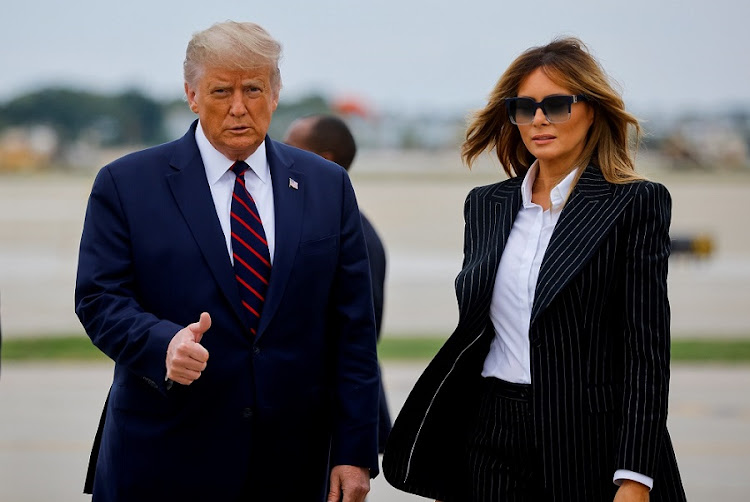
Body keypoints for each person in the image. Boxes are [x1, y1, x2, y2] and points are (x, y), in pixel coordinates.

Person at [75, 21, 379, 502]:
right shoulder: (126, 184)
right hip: (163, 459)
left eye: (253, 88)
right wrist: (163, 345)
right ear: (191, 95)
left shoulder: (328, 186)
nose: (239, 107)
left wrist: (354, 449)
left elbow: (354, 329)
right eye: (221, 91)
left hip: (292, 465)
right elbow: (98, 298)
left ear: (275, 93)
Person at [383, 38, 686, 501]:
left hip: (590, 442)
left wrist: (634, 475)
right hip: (493, 433)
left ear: (592, 110)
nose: (539, 119)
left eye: (557, 104)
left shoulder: (635, 203)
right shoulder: (486, 205)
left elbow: (646, 354)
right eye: (524, 107)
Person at [283, 114, 393, 453]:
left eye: (290, 148)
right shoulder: (296, 222)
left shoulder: (353, 233)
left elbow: (359, 336)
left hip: (328, 421)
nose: (277, 156)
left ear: (323, 160)